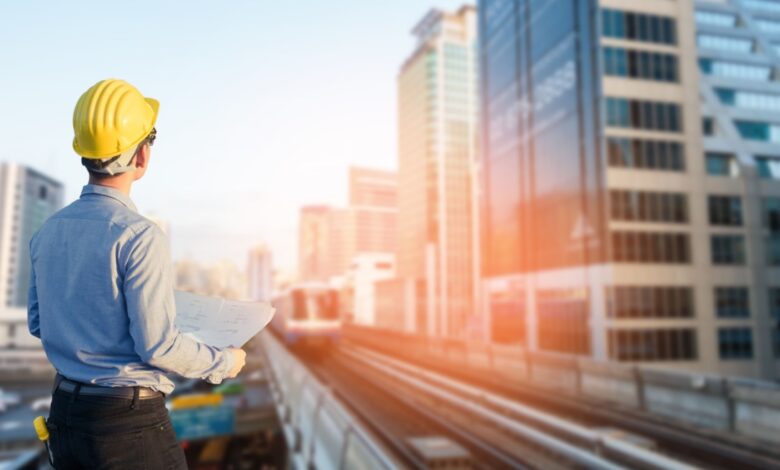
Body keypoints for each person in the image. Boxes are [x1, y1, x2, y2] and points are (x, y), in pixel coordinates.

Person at [27, 78, 246, 469]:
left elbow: (38, 322)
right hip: (127, 426)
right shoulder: (140, 236)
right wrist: (224, 363)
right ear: (141, 156)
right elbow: (158, 347)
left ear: (83, 152)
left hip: (65, 417)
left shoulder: (47, 232)